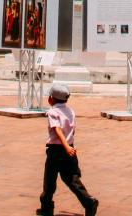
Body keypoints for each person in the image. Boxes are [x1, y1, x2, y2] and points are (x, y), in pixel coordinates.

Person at [37, 84, 98, 216]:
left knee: (49, 182)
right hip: (70, 149)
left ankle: (46, 208)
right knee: (72, 180)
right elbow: (72, 129)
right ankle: (89, 202)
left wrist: (65, 146)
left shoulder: (53, 112)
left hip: (56, 151)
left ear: (51, 99)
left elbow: (57, 130)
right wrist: (69, 146)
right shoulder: (71, 111)